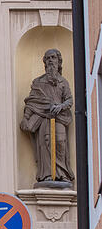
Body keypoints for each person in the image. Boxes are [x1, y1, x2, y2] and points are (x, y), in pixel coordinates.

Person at [20, 48, 74, 184]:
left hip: (60, 117)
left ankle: (62, 174)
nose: (51, 60)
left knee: (61, 142)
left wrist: (60, 106)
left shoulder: (63, 82)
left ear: (58, 61)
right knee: (46, 143)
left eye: (53, 58)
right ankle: (47, 174)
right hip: (43, 118)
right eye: (48, 58)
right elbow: (32, 102)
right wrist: (26, 118)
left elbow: (69, 100)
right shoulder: (38, 82)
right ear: (45, 62)